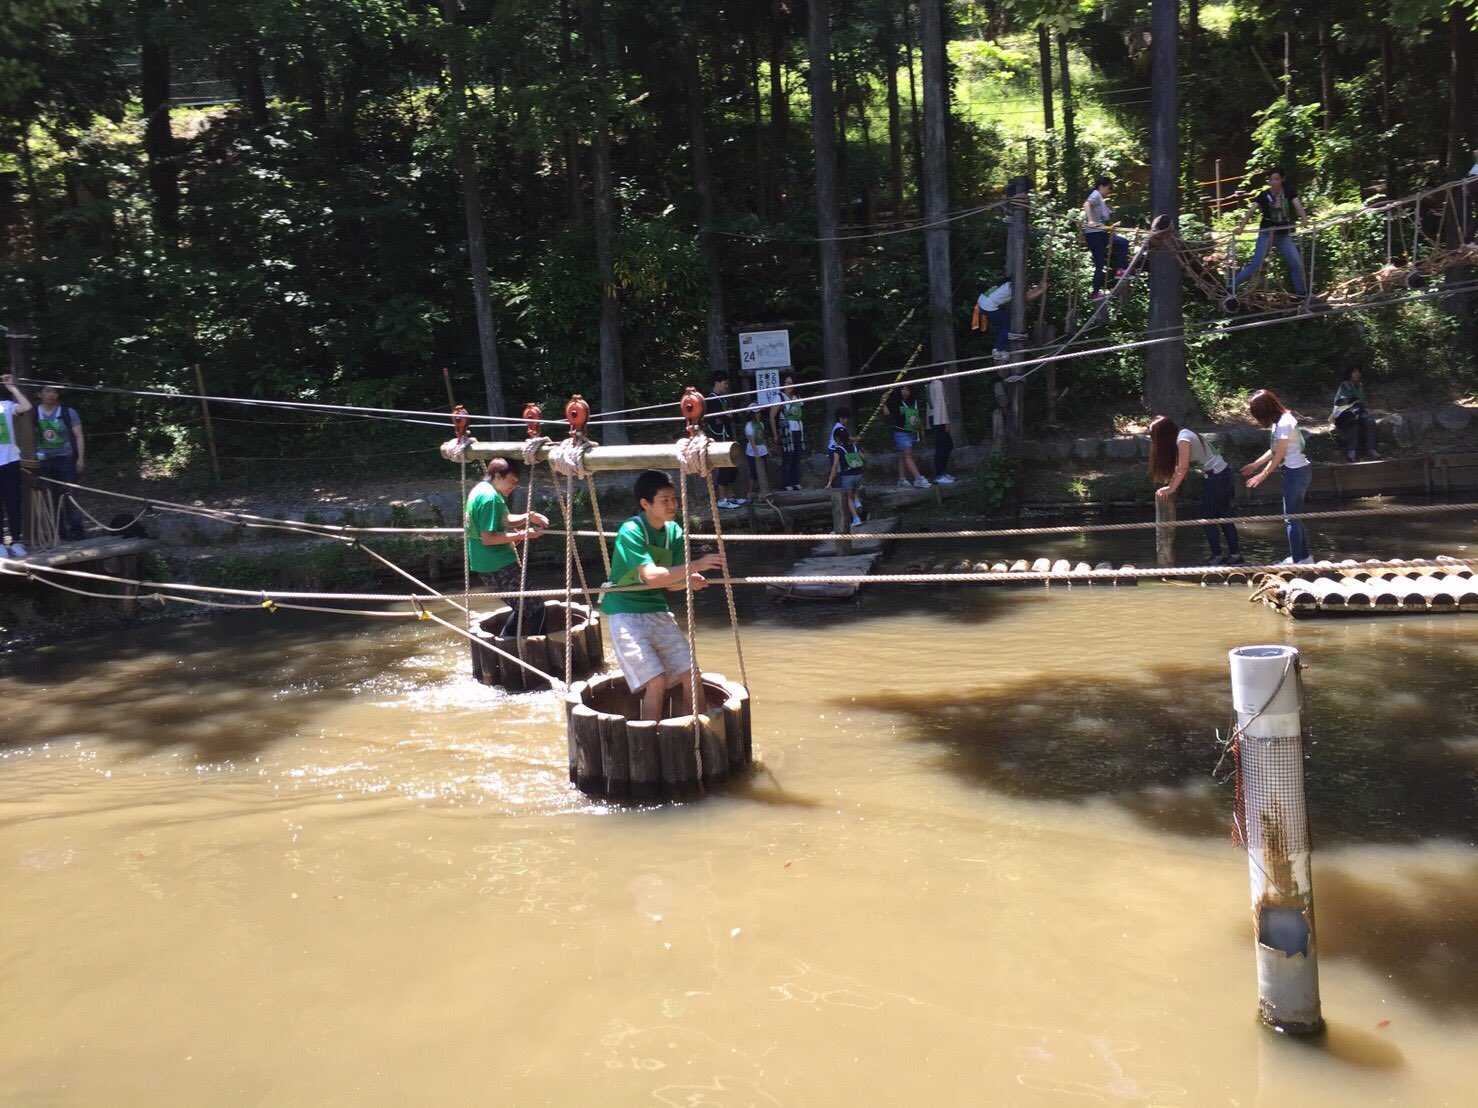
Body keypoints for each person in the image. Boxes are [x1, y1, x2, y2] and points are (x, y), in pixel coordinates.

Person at [600, 470, 726, 721]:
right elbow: (652, 576)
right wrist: (696, 566)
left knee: (692, 675)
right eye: (664, 500)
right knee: (656, 681)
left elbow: (670, 584)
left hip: (656, 608)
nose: (672, 505)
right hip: (625, 612)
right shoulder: (631, 530)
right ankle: (650, 743)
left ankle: (695, 736)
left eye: (674, 499)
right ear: (645, 504)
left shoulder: (674, 532)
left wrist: (688, 582)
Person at [465, 458, 550, 639]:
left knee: (522, 608)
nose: (513, 485)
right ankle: (536, 655)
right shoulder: (490, 499)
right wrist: (524, 535)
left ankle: (506, 644)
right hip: (497, 564)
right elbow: (488, 539)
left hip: (487, 563)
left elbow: (504, 520)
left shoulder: (482, 490)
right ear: (498, 475)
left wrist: (529, 516)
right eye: (511, 480)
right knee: (537, 610)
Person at [1148, 415, 1242, 565]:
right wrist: (1171, 483)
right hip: (1221, 474)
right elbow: (1180, 467)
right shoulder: (1183, 434)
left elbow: (1183, 468)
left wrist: (1171, 488)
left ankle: (1217, 556)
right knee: (1224, 517)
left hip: (1217, 477)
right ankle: (1235, 556)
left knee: (1208, 517)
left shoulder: (1182, 440)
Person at [1241, 389, 1314, 565]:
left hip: (1296, 472)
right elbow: (1275, 449)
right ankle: (1304, 558)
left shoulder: (1284, 423)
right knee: (1294, 517)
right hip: (1294, 471)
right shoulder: (1279, 421)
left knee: (1291, 519)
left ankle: (1297, 562)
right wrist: (1255, 465)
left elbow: (1279, 454)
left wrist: (1262, 475)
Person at [1231, 169, 1309, 298]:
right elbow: (1251, 211)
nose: (1273, 182)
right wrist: (1241, 228)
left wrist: (1304, 219)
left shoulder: (1289, 191)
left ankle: (1301, 294)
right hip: (1266, 233)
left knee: (1295, 263)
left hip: (1283, 234)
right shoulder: (1264, 195)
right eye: (1271, 179)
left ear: (1282, 180)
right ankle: (1231, 286)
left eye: (1276, 179)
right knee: (1256, 264)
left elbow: (1298, 206)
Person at [33, 385, 86, 542]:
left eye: (54, 391)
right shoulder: (33, 413)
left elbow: (79, 436)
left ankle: (77, 531)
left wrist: (80, 458)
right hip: (43, 461)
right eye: (47, 391)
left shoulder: (68, 412)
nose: (51, 394)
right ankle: (58, 532)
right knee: (51, 498)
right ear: (40, 394)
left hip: (66, 459)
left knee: (70, 495)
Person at [0, 373, 33, 559]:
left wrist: (12, 387)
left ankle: (16, 541)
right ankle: (0, 545)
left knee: (14, 503)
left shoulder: (5, 406)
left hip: (10, 461)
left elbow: (27, 407)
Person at [974, 276, 1047, 361]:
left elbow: (1025, 295)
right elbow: (1026, 298)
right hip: (988, 306)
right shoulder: (1013, 287)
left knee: (1003, 325)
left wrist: (1039, 287)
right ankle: (998, 351)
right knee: (1007, 326)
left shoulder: (1008, 284)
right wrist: (1041, 291)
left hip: (982, 302)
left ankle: (1000, 346)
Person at [1083, 176, 1130, 300]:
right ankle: (1096, 292)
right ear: (1102, 186)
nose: (1109, 191)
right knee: (1099, 263)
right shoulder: (1095, 195)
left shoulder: (1100, 199)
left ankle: (1120, 270)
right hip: (1094, 233)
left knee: (1122, 243)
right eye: (1108, 188)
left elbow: (1103, 213)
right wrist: (1091, 220)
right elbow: (1087, 204)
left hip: (1101, 232)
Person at [705, 371, 741, 509]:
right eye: (725, 383)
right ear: (717, 383)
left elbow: (729, 416)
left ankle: (730, 495)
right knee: (724, 466)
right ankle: (722, 499)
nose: (726, 386)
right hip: (719, 436)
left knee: (732, 465)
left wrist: (728, 416)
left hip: (728, 435)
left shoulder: (724, 399)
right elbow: (716, 420)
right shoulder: (711, 399)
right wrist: (728, 416)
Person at [885, 384, 931, 489]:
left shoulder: (913, 402)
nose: (905, 392)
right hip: (900, 433)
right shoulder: (895, 402)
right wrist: (882, 402)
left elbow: (917, 417)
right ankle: (918, 478)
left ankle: (901, 480)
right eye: (903, 389)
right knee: (908, 455)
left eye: (907, 389)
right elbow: (887, 413)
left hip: (912, 432)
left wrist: (922, 431)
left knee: (903, 456)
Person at [1330, 367, 1380, 462]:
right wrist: (1351, 402)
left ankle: (1371, 449)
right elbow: (1339, 401)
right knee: (1352, 423)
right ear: (1349, 373)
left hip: (1358, 410)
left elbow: (1361, 401)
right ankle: (1351, 451)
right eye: (1354, 372)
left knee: (1370, 422)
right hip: (1345, 412)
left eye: (1358, 372)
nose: (1357, 374)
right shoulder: (1344, 385)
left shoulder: (1360, 385)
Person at [824, 417, 866, 527]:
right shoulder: (854, 446)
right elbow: (863, 457)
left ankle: (856, 519)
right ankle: (858, 502)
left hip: (847, 476)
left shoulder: (838, 450)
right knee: (855, 491)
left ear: (837, 439)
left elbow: (835, 466)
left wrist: (829, 481)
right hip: (858, 474)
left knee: (848, 498)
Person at [772, 374, 805, 491]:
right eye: (787, 383)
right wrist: (775, 434)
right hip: (786, 431)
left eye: (791, 383)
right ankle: (787, 483)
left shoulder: (797, 397)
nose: (789, 386)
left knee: (796, 456)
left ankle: (796, 481)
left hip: (797, 429)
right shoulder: (779, 397)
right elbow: (772, 416)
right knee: (787, 457)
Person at [926, 377, 955, 484]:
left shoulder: (930, 384)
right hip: (939, 418)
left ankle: (943, 471)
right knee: (941, 447)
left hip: (934, 416)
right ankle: (939, 474)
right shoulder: (938, 383)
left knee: (948, 445)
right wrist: (945, 421)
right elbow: (940, 403)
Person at [742, 404, 773, 490]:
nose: (759, 414)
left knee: (763, 472)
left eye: (759, 412)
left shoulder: (761, 424)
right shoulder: (749, 426)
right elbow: (752, 442)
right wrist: (756, 454)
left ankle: (761, 491)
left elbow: (762, 438)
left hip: (762, 450)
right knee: (754, 474)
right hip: (752, 452)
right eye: (756, 413)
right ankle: (750, 493)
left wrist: (767, 449)